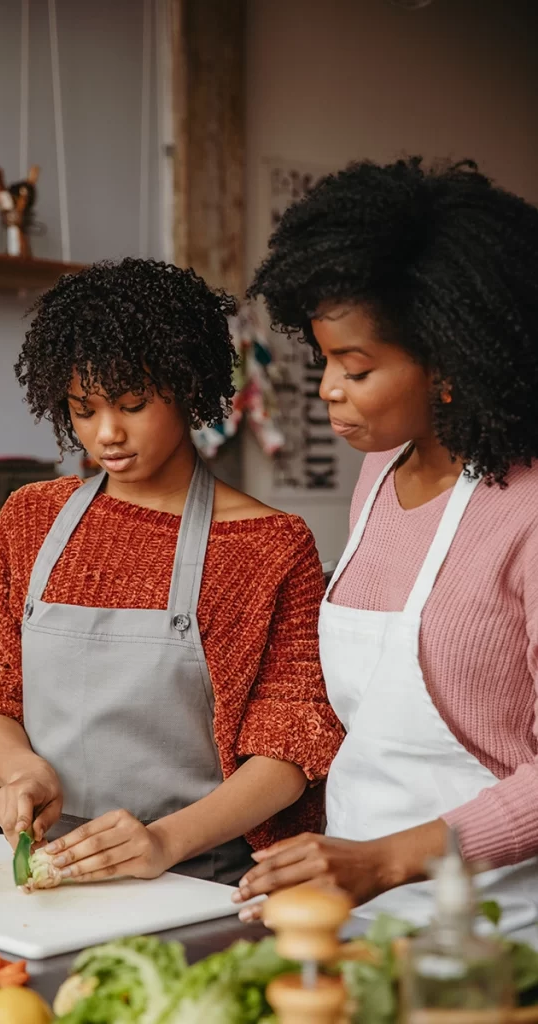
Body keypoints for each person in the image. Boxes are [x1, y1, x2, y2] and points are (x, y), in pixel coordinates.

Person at [0, 258, 343, 885]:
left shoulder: (269, 544)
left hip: (198, 871)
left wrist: (161, 841)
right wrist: (23, 770)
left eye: (132, 404)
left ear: (187, 387)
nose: (107, 434)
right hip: (49, 867)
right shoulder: (32, 518)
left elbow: (291, 747)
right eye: (83, 410)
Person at [234, 157, 538, 929]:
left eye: (354, 365)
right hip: (357, 914)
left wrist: (390, 859)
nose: (328, 387)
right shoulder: (375, 475)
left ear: (446, 365)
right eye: (323, 358)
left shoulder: (527, 512)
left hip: (498, 931)